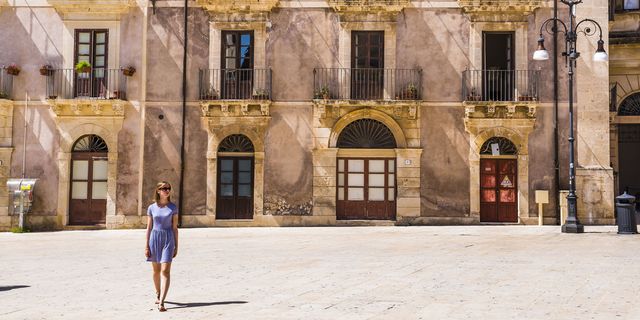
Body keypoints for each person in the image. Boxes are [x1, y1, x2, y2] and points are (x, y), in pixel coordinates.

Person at [145, 181, 179, 312]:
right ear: (158, 191)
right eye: (164, 188)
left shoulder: (173, 207)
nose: (167, 190)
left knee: (165, 270)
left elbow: (175, 228)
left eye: (168, 188)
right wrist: (146, 246)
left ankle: (162, 302)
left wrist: (177, 245)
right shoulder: (151, 208)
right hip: (154, 239)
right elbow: (148, 228)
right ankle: (158, 293)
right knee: (156, 271)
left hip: (168, 239)